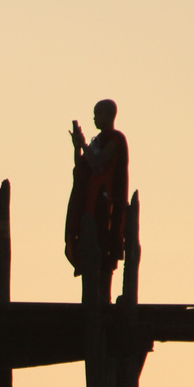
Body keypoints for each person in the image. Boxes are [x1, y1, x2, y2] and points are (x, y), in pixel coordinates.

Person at [63, 98, 128, 278]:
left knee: (102, 251)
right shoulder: (98, 141)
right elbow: (83, 167)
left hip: (105, 203)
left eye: (97, 114)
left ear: (109, 115)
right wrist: (77, 147)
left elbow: (99, 162)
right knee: (88, 250)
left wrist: (84, 145)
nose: (94, 118)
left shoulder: (116, 139)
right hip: (90, 202)